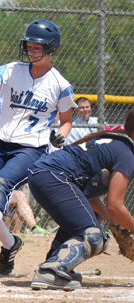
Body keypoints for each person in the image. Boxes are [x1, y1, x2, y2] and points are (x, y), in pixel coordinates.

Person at [0, 19, 77, 275]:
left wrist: (61, 135)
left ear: (52, 50)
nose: (32, 50)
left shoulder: (60, 84)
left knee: (0, 185)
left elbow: (67, 121)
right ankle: (12, 244)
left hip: (31, 150)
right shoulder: (11, 70)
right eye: (30, 45)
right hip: (1, 145)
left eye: (39, 47)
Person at [27, 108, 134, 290]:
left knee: (89, 217)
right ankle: (51, 272)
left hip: (43, 174)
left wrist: (114, 221)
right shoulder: (127, 154)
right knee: (95, 236)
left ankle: (56, 264)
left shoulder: (114, 141)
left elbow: (87, 196)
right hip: (53, 176)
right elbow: (115, 205)